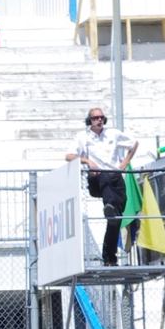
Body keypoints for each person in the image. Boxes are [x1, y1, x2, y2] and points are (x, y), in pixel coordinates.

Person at [65, 106, 137, 265]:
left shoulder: (114, 134)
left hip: (115, 177)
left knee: (116, 218)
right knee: (105, 181)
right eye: (95, 118)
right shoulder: (82, 137)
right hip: (97, 180)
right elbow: (69, 156)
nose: (99, 120)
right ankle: (109, 206)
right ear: (89, 121)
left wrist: (124, 164)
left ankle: (109, 258)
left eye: (101, 117)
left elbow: (134, 144)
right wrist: (87, 161)